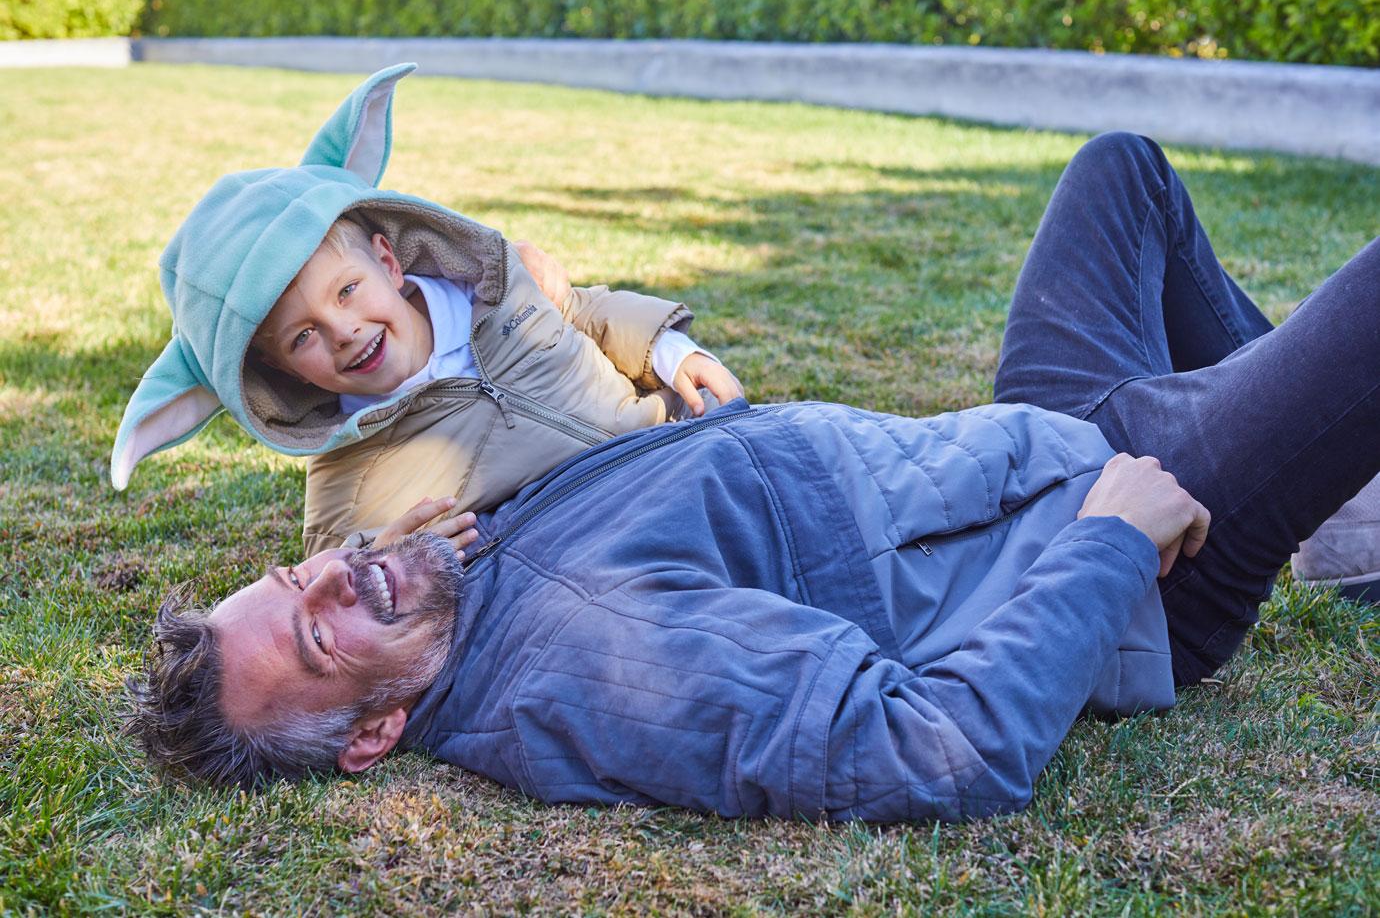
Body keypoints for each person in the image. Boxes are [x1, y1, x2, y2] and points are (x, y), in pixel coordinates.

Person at [126, 133, 1380, 822]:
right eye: (323, 630)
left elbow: (534, 360)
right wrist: (1113, 540)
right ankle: (1291, 470)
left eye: (300, 569)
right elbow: (938, 750)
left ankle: (1329, 487)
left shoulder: (463, 567)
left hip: (1023, 442)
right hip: (1129, 526)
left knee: (1124, 176)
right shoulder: (590, 655)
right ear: (377, 734)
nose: (341, 567)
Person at [109, 64, 742, 554]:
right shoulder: (347, 476)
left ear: (387, 262)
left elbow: (586, 313)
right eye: (303, 337)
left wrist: (672, 351)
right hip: (591, 541)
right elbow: (335, 561)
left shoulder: (495, 293)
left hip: (671, 444)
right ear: (283, 373)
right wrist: (389, 561)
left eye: (347, 290)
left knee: (801, 464)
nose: (345, 330)